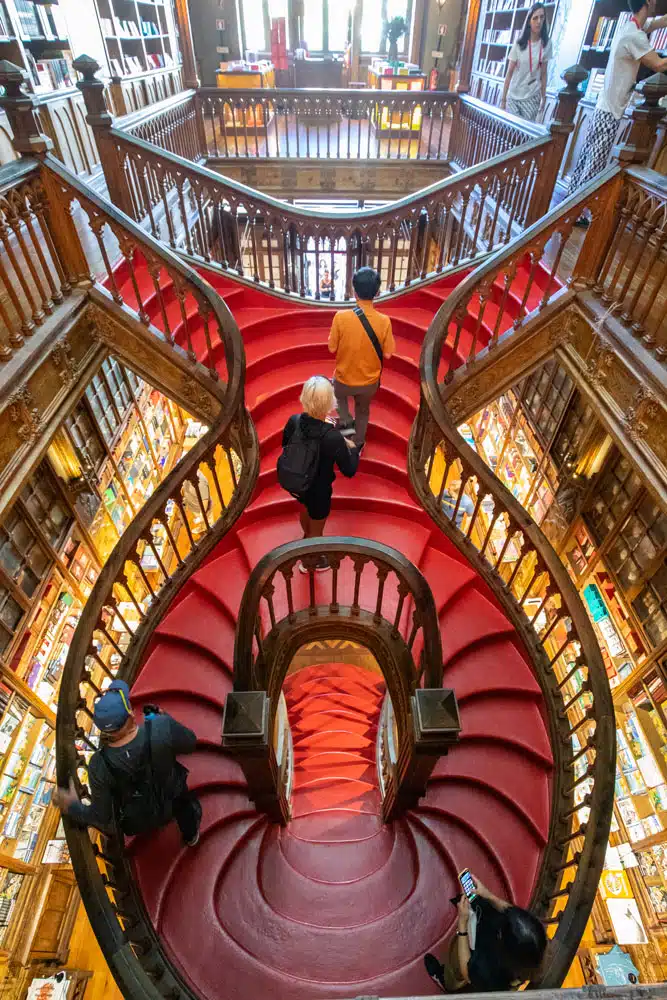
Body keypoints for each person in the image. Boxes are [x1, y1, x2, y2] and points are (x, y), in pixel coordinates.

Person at [53, 680, 202, 846]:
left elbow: (102, 816)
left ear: (105, 731)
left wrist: (72, 806)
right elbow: (190, 743)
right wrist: (164, 718)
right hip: (173, 793)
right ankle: (191, 836)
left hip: (142, 812)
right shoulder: (160, 726)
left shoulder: (99, 765)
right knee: (185, 811)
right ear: (130, 713)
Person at [569, 0, 667, 209]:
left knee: (586, 158)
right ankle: (579, 211)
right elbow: (658, 64)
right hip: (611, 111)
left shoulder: (629, 27)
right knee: (594, 164)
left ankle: (570, 205)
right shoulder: (635, 36)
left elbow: (655, 23)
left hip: (602, 106)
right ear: (648, 2)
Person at [280, 376, 361, 573]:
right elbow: (349, 469)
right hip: (319, 489)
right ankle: (310, 561)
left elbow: (286, 444)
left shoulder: (295, 420)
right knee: (317, 527)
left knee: (305, 509)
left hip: (300, 482)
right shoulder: (332, 436)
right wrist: (353, 447)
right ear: (329, 402)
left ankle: (306, 538)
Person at [424, 874, 547, 993]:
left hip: (476, 954)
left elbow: (467, 971)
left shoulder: (492, 976)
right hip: (486, 942)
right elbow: (512, 913)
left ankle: (445, 980)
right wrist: (488, 895)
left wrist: (462, 925)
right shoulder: (535, 946)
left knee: (455, 969)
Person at [328, 266, 395, 450]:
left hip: (344, 378)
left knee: (339, 397)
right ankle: (358, 442)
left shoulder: (340, 318)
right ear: (377, 292)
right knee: (363, 410)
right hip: (369, 381)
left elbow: (331, 347)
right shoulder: (384, 321)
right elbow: (388, 354)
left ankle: (346, 423)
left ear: (353, 291)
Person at [501, 4, 551, 122]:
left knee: (525, 136)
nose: (539, 21)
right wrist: (503, 100)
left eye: (541, 17)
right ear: (529, 21)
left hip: (532, 96)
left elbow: (544, 73)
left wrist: (544, 98)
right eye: (535, 18)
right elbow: (509, 73)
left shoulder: (547, 44)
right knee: (511, 132)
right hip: (514, 95)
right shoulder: (519, 44)